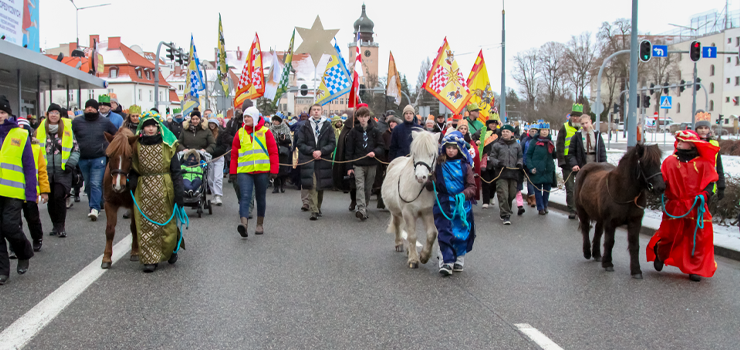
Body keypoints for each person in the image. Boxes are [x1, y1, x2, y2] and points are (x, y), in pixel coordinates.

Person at [647, 130, 719, 282]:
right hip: (675, 206)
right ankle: (661, 253)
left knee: (698, 239)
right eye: (678, 140)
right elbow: (663, 180)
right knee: (670, 235)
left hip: (696, 206)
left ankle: (695, 269)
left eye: (682, 140)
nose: (678, 143)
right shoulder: (669, 162)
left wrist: (705, 195)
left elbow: (710, 183)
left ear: (692, 144)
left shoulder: (704, 163)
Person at [129, 111, 184, 273]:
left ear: (158, 127)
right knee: (145, 224)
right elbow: (132, 166)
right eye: (147, 126)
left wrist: (179, 192)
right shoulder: (136, 145)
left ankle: (172, 248)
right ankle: (150, 259)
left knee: (166, 224)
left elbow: (176, 170)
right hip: (143, 188)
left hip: (164, 187)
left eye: (153, 125)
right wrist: (132, 179)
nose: (150, 129)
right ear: (142, 128)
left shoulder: (168, 145)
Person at [426, 131, 476, 276]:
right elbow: (431, 186)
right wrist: (429, 179)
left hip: (461, 206)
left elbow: (472, 187)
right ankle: (446, 262)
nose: (451, 151)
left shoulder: (465, 166)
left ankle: (459, 259)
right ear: (444, 149)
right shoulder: (438, 165)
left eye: (454, 148)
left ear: (459, 149)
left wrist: (463, 195)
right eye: (448, 148)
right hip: (443, 204)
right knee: (445, 232)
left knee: (461, 233)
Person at [0, 95, 36, 284]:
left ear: (9, 114)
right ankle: (2, 271)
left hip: (13, 191)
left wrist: (31, 193)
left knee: (10, 227)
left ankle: (24, 252)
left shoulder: (20, 135)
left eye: (2, 112)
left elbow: (29, 166)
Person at [229, 106, 279, 236]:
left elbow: (273, 152)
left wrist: (274, 169)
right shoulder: (240, 133)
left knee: (260, 197)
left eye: (249, 116)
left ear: (255, 118)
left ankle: (259, 224)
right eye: (245, 116)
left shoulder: (265, 132)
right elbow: (234, 154)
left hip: (262, 170)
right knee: (245, 197)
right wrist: (233, 172)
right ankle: (243, 224)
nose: (246, 119)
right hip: (244, 171)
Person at [37, 104, 79, 239]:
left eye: (56, 112)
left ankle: (61, 225)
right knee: (50, 200)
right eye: (51, 112)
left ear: (60, 115)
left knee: (59, 197)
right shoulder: (40, 130)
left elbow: (75, 149)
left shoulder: (67, 130)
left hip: (63, 170)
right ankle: (55, 224)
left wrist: (71, 164)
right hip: (46, 170)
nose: (54, 115)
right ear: (47, 114)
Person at [72, 99, 118, 221]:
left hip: (99, 157)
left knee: (95, 183)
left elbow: (115, 135)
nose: (90, 109)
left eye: (92, 107)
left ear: (96, 109)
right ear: (85, 109)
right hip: (82, 157)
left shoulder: (105, 122)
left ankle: (94, 208)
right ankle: (99, 201)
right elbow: (70, 136)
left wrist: (110, 148)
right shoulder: (77, 122)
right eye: (88, 107)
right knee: (88, 184)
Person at [295, 104, 336, 220]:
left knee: (320, 185)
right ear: (311, 112)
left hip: (323, 160)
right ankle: (313, 210)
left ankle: (318, 207)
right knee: (312, 185)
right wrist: (312, 151)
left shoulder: (327, 126)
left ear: (322, 111)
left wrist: (321, 151)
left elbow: (332, 143)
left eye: (318, 110)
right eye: (314, 110)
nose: (316, 112)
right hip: (309, 159)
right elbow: (300, 143)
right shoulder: (305, 125)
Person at [345, 107, 386, 220]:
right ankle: (361, 209)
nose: (363, 119)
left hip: (371, 164)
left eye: (365, 117)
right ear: (357, 118)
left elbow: (381, 146)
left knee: (368, 188)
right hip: (358, 164)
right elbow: (349, 151)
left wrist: (375, 152)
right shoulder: (353, 132)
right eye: (360, 117)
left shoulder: (375, 131)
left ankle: (365, 205)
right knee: (359, 186)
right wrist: (349, 167)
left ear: (369, 117)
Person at [487, 124, 523, 225]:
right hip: (501, 173)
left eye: (507, 132)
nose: (505, 133)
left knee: (511, 195)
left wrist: (520, 163)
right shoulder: (497, 145)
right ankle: (506, 215)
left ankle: (506, 210)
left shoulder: (517, 145)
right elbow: (492, 158)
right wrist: (498, 163)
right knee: (503, 194)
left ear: (512, 133)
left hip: (513, 174)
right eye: (503, 132)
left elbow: (520, 156)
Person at [556, 105, 583, 219]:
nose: (575, 118)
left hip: (581, 162)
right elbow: (560, 145)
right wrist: (561, 160)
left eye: (577, 116)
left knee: (582, 187)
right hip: (567, 163)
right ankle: (572, 209)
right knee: (570, 187)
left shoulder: (584, 128)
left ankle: (582, 209)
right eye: (573, 116)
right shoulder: (565, 127)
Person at [525, 123, 557, 215]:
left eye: (546, 130)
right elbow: (528, 155)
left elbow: (553, 155)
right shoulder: (534, 142)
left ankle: (545, 205)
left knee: (547, 190)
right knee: (537, 190)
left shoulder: (550, 142)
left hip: (548, 169)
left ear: (548, 131)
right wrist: (531, 168)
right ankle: (540, 207)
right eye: (542, 130)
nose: (544, 132)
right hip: (537, 169)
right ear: (539, 131)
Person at [694, 111, 725, 201]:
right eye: (700, 128)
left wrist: (721, 186)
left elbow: (718, 166)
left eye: (706, 128)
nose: (703, 130)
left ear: (709, 130)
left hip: (709, 184)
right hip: (694, 183)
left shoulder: (714, 144)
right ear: (696, 130)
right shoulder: (692, 143)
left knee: (704, 211)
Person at [374, 115, 401, 210]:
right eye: (390, 122)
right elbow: (382, 147)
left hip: (397, 160)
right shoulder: (385, 134)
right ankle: (382, 201)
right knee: (384, 181)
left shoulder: (399, 134)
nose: (392, 123)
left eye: (394, 122)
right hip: (385, 161)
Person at [333, 110, 358, 211]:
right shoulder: (348, 126)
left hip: (365, 158)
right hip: (351, 156)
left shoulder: (371, 126)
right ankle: (353, 200)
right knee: (352, 181)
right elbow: (343, 141)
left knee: (363, 183)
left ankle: (363, 204)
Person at [472, 117, 499, 209]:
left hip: (496, 160)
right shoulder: (481, 132)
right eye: (491, 124)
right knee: (486, 181)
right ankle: (485, 201)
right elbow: (472, 139)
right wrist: (476, 141)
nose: (493, 125)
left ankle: (491, 196)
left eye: (495, 124)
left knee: (494, 181)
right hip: (485, 160)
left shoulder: (499, 133)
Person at [207, 117, 228, 205]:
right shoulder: (206, 133)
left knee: (218, 177)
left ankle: (218, 195)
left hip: (219, 157)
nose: (212, 125)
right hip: (209, 158)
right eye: (210, 123)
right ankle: (213, 194)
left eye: (213, 123)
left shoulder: (222, 133)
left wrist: (214, 152)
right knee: (210, 179)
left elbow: (224, 146)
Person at [270, 115, 292, 194]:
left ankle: (282, 186)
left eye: (275, 120)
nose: (274, 122)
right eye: (273, 120)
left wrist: (284, 139)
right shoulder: (271, 129)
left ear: (279, 121)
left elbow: (290, 140)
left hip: (284, 151)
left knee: (283, 169)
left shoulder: (285, 128)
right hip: (274, 150)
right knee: (275, 169)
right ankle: (276, 187)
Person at [521, 125, 539, 208]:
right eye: (532, 131)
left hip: (536, 164)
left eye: (535, 131)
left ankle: (529, 196)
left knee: (534, 182)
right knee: (530, 181)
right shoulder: (525, 141)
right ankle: (533, 198)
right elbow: (521, 151)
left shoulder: (539, 141)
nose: (534, 133)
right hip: (526, 164)